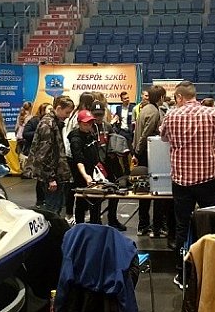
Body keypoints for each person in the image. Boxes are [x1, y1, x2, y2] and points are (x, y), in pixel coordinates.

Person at [159, 80, 215, 289]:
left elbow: (163, 138)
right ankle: (214, 271)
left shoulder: (171, 115)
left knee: (182, 227)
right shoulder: (212, 113)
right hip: (207, 179)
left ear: (179, 97)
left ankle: (183, 273)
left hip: (181, 181)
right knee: (213, 225)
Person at [24, 96, 74, 215]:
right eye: (67, 112)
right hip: (51, 175)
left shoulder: (55, 123)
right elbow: (43, 154)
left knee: (56, 207)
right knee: (52, 210)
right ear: (58, 108)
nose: (68, 116)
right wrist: (51, 178)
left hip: (56, 173)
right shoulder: (47, 125)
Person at [133, 85, 166, 237]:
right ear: (161, 97)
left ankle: (143, 225)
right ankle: (156, 226)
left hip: (143, 153)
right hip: (149, 154)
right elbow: (145, 134)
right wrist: (138, 151)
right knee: (156, 190)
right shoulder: (154, 111)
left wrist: (136, 151)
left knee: (144, 190)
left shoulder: (145, 109)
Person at [91, 100, 127, 231]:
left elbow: (113, 141)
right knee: (96, 194)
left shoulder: (107, 126)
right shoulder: (89, 127)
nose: (98, 118)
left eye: (100, 115)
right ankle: (95, 220)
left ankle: (112, 219)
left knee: (114, 192)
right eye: (96, 115)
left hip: (109, 164)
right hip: (96, 165)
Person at [68, 109, 103, 224]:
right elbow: (78, 160)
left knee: (96, 200)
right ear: (79, 123)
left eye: (90, 123)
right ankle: (80, 226)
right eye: (85, 124)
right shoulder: (75, 139)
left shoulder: (90, 134)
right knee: (81, 202)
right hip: (81, 174)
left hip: (93, 172)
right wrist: (85, 175)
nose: (89, 126)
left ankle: (95, 224)